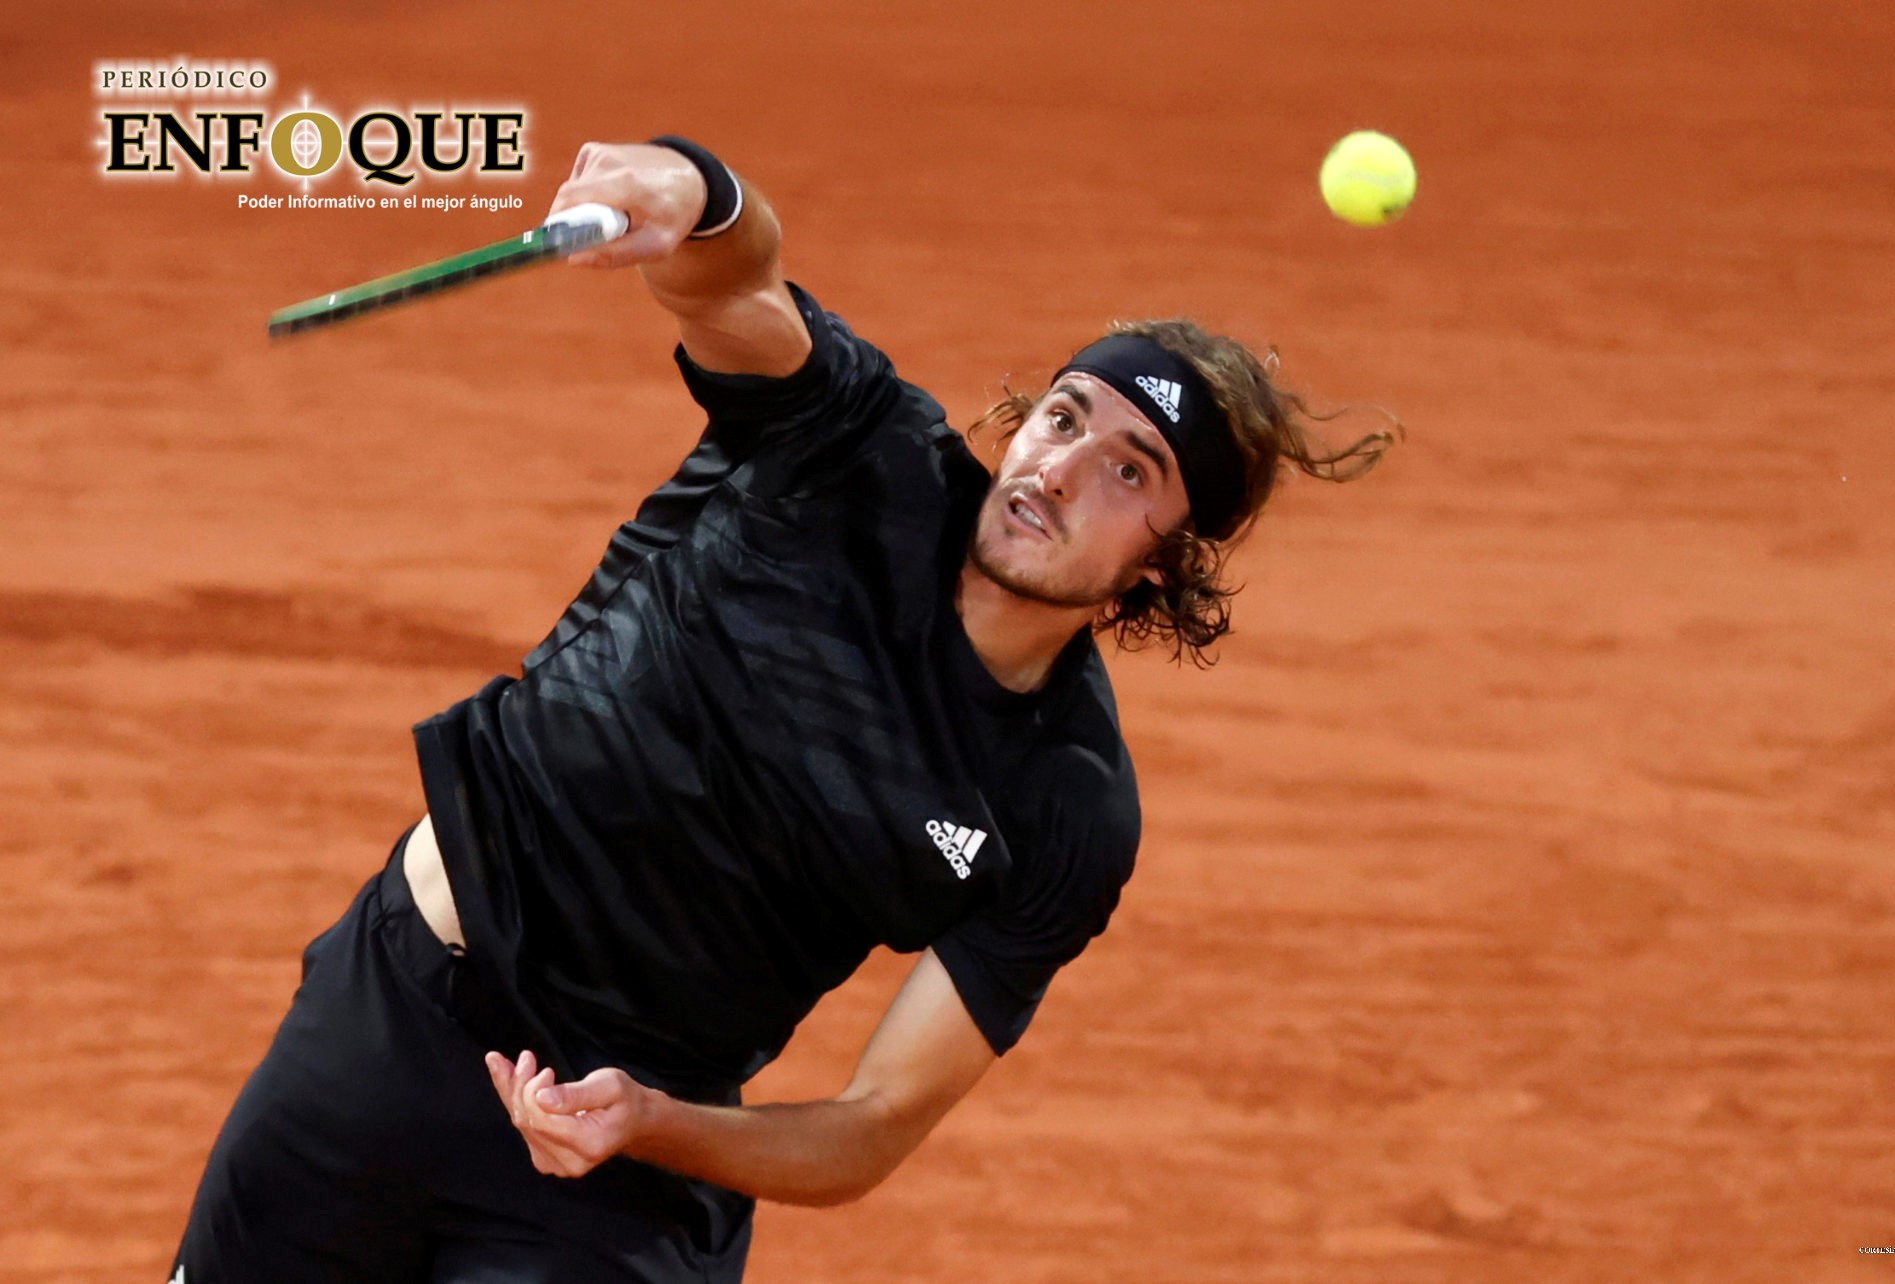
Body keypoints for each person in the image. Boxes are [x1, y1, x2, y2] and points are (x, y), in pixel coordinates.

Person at [172, 135, 1394, 1282]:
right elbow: (733, 283)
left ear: (1159, 572)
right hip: (391, 1017)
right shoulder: (853, 448)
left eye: (1130, 471)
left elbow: (871, 1126)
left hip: (613, 1163)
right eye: (1064, 416)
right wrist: (695, 192)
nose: (1060, 469)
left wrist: (650, 1123)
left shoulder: (1062, 806)